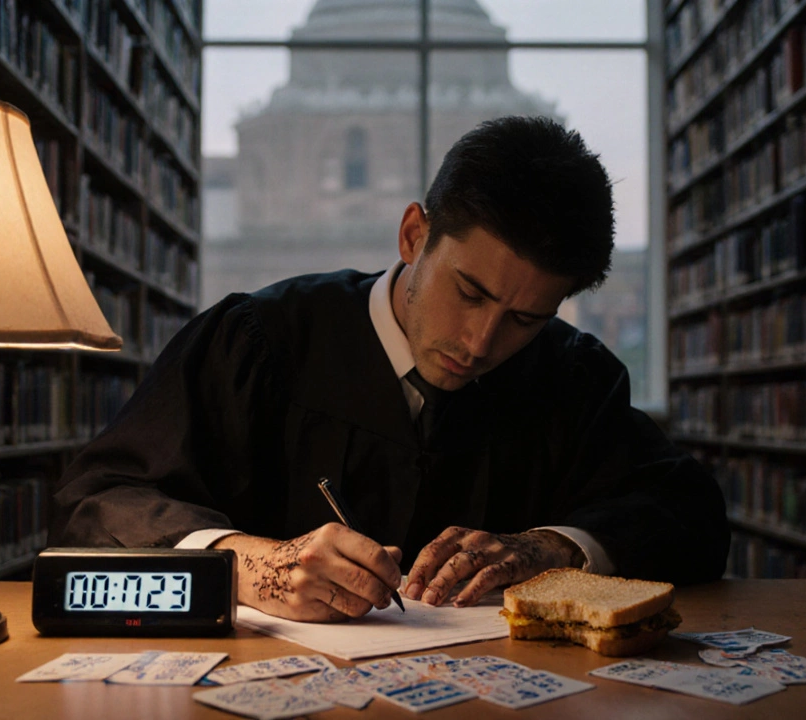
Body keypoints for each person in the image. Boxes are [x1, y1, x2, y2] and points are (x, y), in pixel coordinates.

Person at [51, 116, 729, 623]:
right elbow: (99, 501)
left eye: (527, 318)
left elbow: (687, 512)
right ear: (413, 236)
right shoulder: (256, 340)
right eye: (469, 292)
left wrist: (554, 548)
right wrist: (251, 564)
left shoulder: (572, 377)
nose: (482, 341)